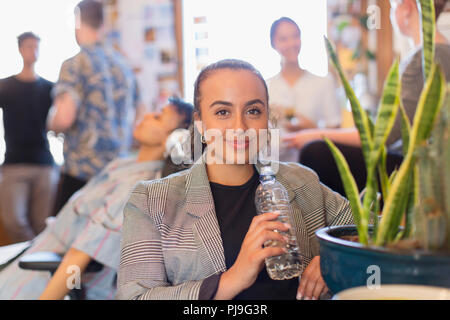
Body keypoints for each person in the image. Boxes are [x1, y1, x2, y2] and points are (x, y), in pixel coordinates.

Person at [117, 59, 354, 301]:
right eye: (222, 112)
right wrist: (232, 280)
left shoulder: (301, 182)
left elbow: (377, 233)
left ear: (267, 118)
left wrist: (337, 259)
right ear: (199, 123)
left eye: (253, 111)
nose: (240, 127)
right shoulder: (152, 201)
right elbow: (135, 297)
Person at [0, 98, 193, 300]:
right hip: (39, 251)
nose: (146, 116)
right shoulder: (122, 165)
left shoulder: (135, 189)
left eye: (157, 117)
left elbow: (79, 256)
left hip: (51, 277)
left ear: (174, 139)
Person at [283, 0, 450, 196]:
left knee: (316, 152)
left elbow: (384, 135)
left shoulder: (425, 57)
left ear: (407, 9)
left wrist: (316, 134)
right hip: (411, 160)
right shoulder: (438, 52)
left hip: (409, 166)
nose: (390, 15)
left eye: (393, 8)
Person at [48, 0, 143, 215]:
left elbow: (63, 118)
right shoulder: (123, 65)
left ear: (78, 21)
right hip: (117, 173)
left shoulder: (74, 64)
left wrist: (50, 124)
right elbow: (140, 114)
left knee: (68, 241)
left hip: (82, 174)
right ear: (104, 24)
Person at [0, 32, 58, 243]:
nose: (33, 51)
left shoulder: (49, 88)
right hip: (14, 164)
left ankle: (37, 262)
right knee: (13, 220)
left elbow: (59, 122)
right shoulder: (5, 86)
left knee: (42, 223)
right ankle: (33, 253)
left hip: (44, 164)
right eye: (29, 46)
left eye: (36, 46)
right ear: (20, 49)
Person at [267, 17, 341, 162]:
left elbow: (336, 131)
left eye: (295, 36)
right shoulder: (266, 87)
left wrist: (311, 127)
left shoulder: (324, 83)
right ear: (273, 44)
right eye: (283, 38)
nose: (291, 43)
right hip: (277, 166)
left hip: (317, 165)